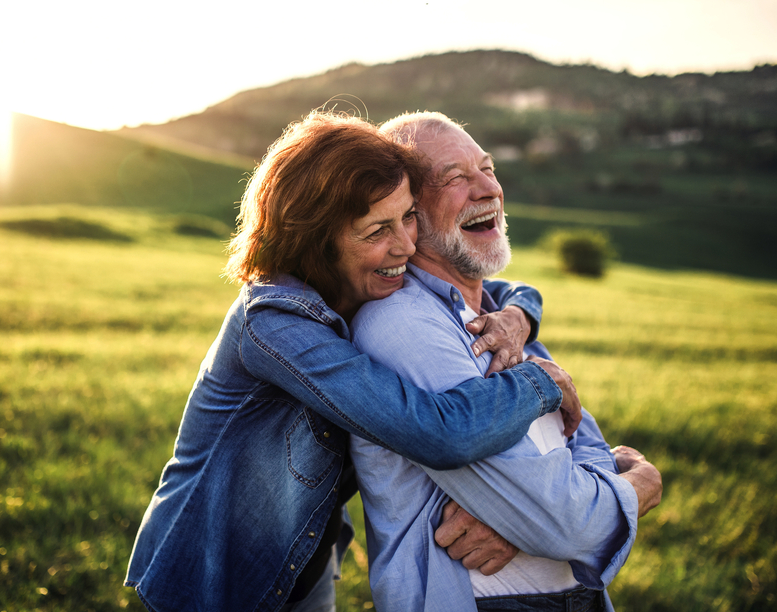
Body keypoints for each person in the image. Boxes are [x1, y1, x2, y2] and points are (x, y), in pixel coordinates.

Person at [123, 111, 584, 612]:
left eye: (408, 216)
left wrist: (518, 315)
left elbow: (497, 289)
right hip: (214, 578)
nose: (406, 245)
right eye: (376, 231)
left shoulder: (360, 284)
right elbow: (435, 432)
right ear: (317, 241)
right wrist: (540, 383)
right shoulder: (274, 324)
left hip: (304, 564)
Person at [349, 111, 663, 611]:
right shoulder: (402, 325)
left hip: (577, 596)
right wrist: (640, 484)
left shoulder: (503, 321)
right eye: (455, 178)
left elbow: (587, 447)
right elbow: (564, 523)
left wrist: (528, 523)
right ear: (409, 214)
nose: (487, 190)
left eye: (488, 169)